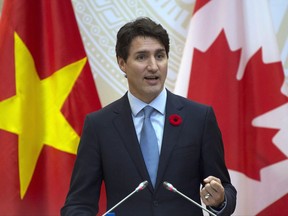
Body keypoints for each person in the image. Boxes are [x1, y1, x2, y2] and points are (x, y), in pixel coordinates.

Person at [61, 17, 237, 216]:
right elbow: (78, 203)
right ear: (122, 63)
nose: (153, 66)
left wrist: (219, 200)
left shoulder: (199, 118)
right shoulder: (100, 125)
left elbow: (226, 191)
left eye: (160, 56)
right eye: (142, 57)